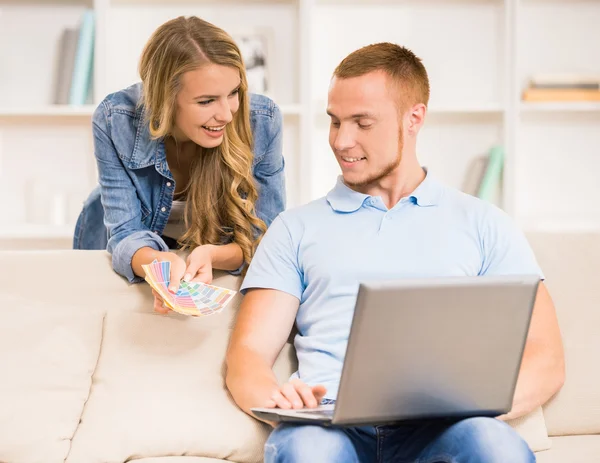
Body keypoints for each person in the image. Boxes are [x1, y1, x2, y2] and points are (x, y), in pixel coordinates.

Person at [225, 42, 565, 462]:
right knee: (308, 451)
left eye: (361, 123)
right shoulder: (294, 228)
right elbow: (248, 356)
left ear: (413, 118)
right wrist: (279, 400)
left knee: (493, 445)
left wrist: (474, 406)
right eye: (334, 122)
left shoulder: (484, 224)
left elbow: (546, 357)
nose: (341, 140)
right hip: (330, 428)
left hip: (445, 428)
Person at [73, 16, 286, 313]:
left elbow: (265, 241)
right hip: (112, 242)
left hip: (209, 251)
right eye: (206, 101)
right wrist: (157, 262)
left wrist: (212, 255)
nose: (227, 114)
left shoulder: (261, 120)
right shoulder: (115, 118)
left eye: (234, 93)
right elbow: (125, 234)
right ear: (166, 99)